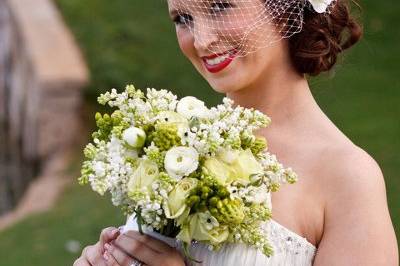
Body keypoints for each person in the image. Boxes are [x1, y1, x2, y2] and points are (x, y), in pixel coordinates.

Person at [74, 0, 398, 265]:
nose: (201, 40)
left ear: (281, 9)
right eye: (183, 18)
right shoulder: (179, 144)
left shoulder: (348, 175)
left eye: (220, 7)